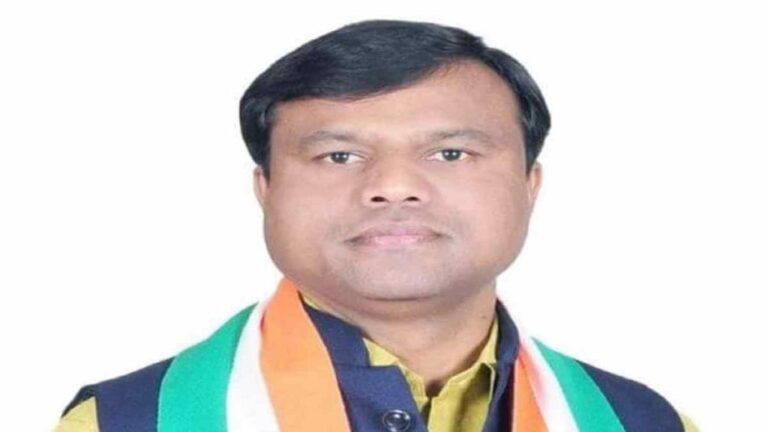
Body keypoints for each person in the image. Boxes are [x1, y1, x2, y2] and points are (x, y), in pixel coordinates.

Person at [54, 19, 698, 432]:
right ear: (265, 190)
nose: (392, 186)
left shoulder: (645, 422)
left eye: (451, 153)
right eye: (340, 156)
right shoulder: (121, 422)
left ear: (529, 186)